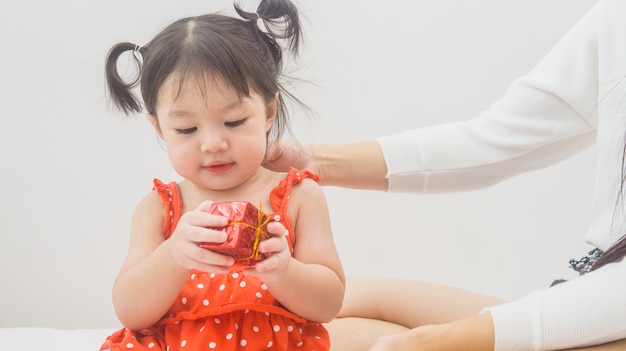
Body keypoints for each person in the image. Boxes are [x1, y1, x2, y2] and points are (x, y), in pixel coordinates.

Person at [264, 0, 626, 350]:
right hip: (595, 295)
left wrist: (433, 343)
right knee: (329, 308)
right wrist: (314, 161)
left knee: (343, 340)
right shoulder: (616, 17)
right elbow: (494, 142)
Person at [99, 1, 345, 350]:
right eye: (186, 129)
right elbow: (130, 312)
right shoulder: (160, 208)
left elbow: (329, 303)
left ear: (268, 111)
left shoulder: (299, 196)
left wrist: (284, 273)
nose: (213, 144)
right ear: (158, 128)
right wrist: (173, 256)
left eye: (234, 122)